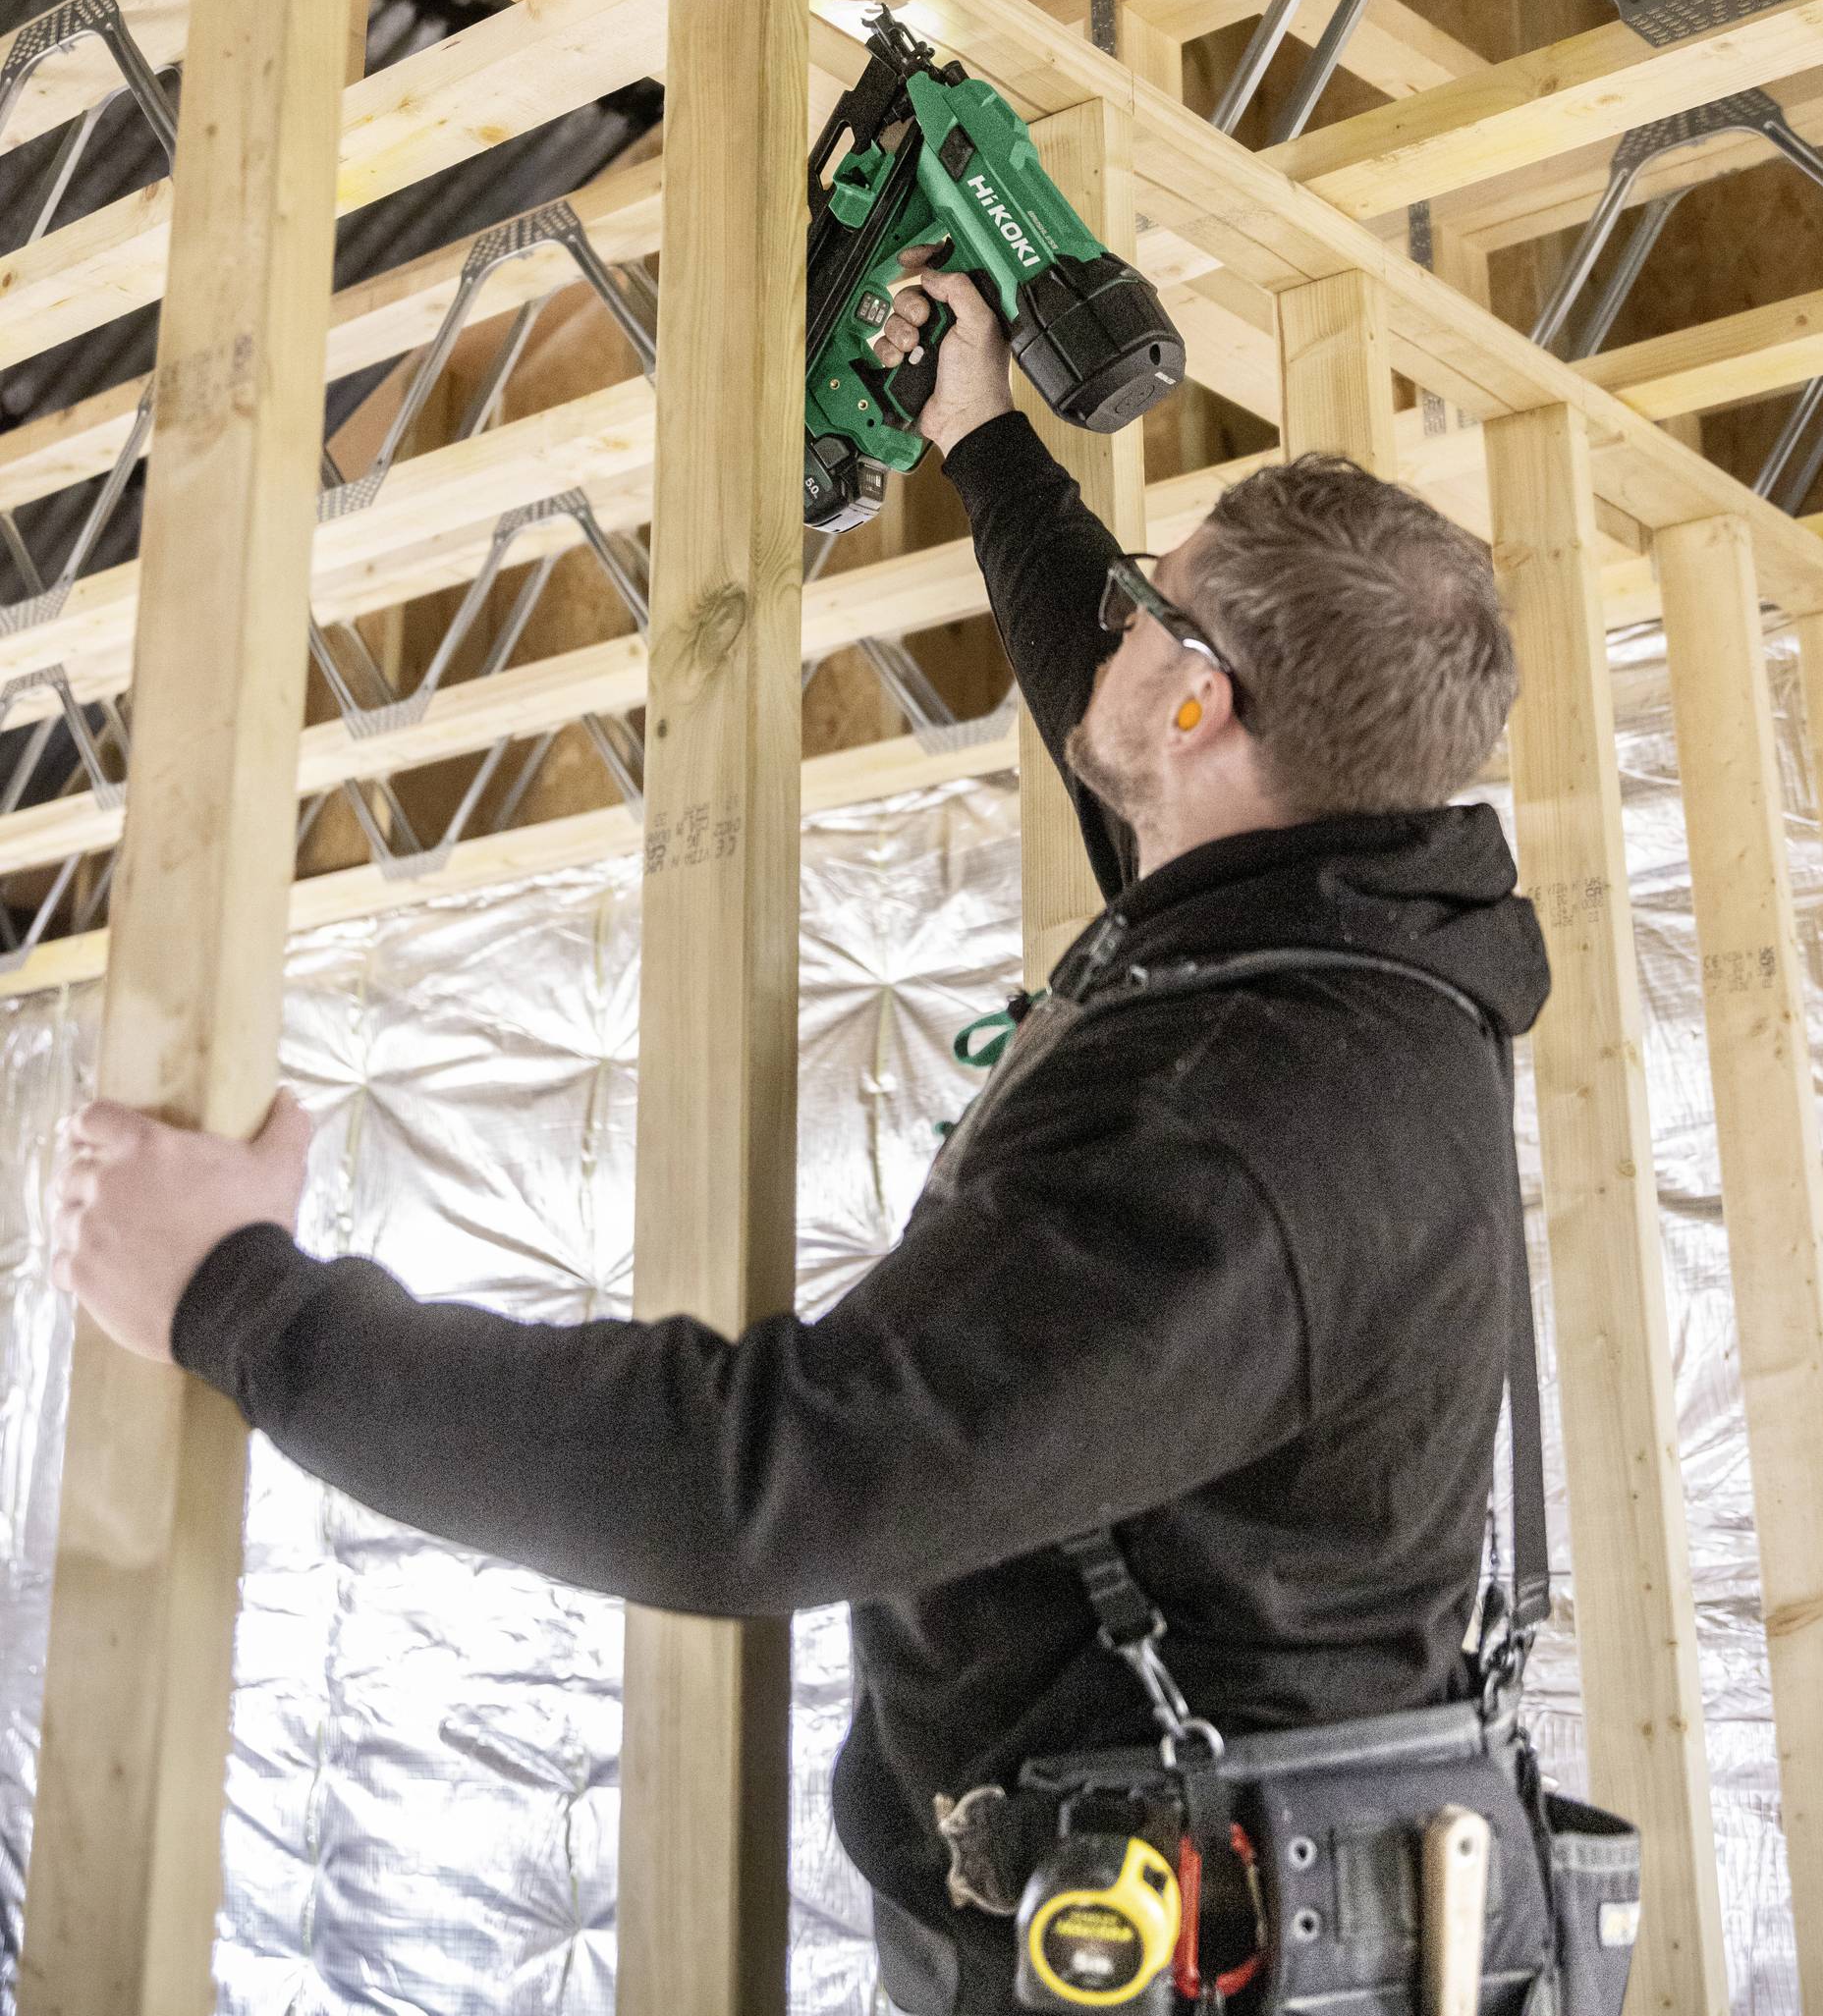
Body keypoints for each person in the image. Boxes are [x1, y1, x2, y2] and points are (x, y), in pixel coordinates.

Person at [52, 263, 1548, 2015]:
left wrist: (234, 1301)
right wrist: (982, 439)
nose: (1121, 631)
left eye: (1157, 613)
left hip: (1177, 1964)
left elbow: (759, 1488)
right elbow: (1121, 720)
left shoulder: (1236, 1122)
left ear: (1208, 705)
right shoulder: (1335, 934)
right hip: (1192, 1889)